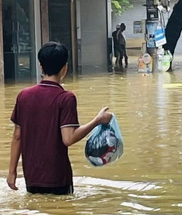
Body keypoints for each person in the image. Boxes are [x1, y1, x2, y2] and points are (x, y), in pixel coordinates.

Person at [8, 42, 112, 195]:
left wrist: (12, 172)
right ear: (65, 68)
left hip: (31, 176)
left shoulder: (23, 96)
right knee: (61, 214)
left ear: (40, 66)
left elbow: (17, 136)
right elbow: (68, 138)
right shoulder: (65, 98)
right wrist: (97, 120)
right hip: (57, 177)